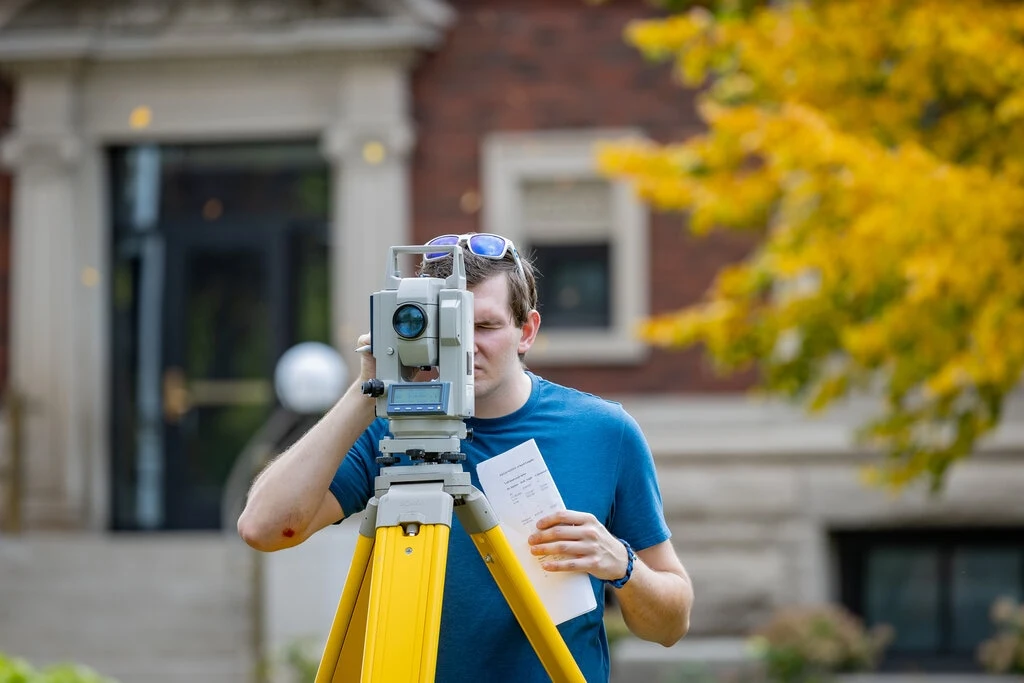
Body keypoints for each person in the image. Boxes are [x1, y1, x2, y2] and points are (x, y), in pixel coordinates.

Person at [237, 232, 694, 682]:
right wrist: (370, 385)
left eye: (486, 326)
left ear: (527, 331)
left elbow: (670, 626)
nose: (467, 345)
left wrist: (622, 564)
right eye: (450, 326)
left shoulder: (602, 432)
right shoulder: (388, 430)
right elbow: (264, 528)